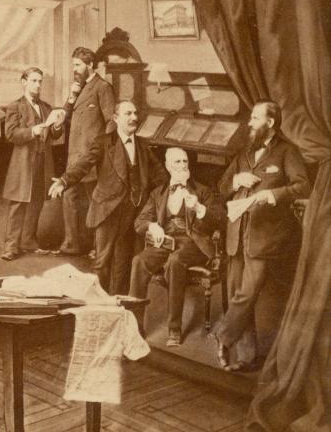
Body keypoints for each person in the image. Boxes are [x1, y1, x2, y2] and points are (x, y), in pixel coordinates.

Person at [210, 101, 309, 372]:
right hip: (236, 234)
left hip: (265, 237)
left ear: (270, 123)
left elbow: (302, 185)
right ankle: (246, 356)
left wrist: (272, 195)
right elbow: (221, 188)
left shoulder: (287, 151)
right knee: (235, 295)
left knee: (247, 293)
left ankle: (222, 335)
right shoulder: (244, 153)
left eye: (255, 118)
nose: (250, 123)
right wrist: (235, 182)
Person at [50, 101, 167, 294]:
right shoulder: (104, 141)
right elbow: (83, 164)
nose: (134, 118)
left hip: (133, 212)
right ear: (116, 118)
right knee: (102, 263)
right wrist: (64, 181)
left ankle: (118, 308)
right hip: (107, 210)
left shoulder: (143, 145)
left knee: (124, 263)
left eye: (135, 113)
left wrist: (177, 188)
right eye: (128, 113)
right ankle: (97, 308)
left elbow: (160, 175)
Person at [129, 147, 222, 346]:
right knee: (139, 261)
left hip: (193, 242)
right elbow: (140, 221)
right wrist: (152, 226)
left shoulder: (202, 191)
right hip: (166, 241)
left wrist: (198, 208)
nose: (182, 166)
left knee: (175, 261)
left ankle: (174, 329)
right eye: (177, 162)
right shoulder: (158, 193)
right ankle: (134, 325)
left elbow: (219, 220)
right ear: (168, 167)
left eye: (185, 162)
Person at [1, 67, 64, 261]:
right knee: (18, 203)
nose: (37, 85)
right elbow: (11, 134)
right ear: (24, 82)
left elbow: (54, 135)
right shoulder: (15, 106)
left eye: (40, 81)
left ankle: (28, 240)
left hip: (43, 161)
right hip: (23, 162)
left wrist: (57, 125)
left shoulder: (46, 107)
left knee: (36, 201)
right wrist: (34, 130)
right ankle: (11, 246)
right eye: (34, 81)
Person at [58, 47, 115, 256]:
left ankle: (99, 248)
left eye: (78, 65)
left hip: (92, 157)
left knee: (95, 201)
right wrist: (72, 97)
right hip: (74, 155)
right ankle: (71, 243)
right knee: (69, 196)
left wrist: (104, 149)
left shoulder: (103, 87)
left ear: (90, 65)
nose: (74, 69)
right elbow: (64, 116)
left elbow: (111, 122)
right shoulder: (77, 88)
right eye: (73, 64)